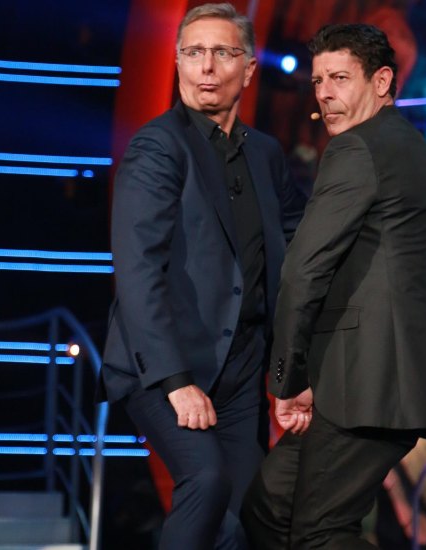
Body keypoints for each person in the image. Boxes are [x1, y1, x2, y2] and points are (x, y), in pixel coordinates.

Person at [241, 23, 426, 549]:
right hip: (379, 382)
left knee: (319, 533)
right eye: (318, 80)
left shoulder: (357, 149)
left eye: (340, 78)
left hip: (366, 383)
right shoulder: (419, 154)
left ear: (382, 81)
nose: (324, 93)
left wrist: (288, 379)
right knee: (269, 509)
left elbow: (303, 270)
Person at [97, 3, 304, 549]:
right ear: (178, 63)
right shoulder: (158, 146)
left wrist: (291, 371)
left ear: (249, 68)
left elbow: (299, 249)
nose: (206, 66)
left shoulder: (265, 154)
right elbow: (136, 270)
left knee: (245, 519)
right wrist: (175, 380)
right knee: (207, 481)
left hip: (241, 369)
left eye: (221, 52)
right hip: (166, 362)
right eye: (192, 52)